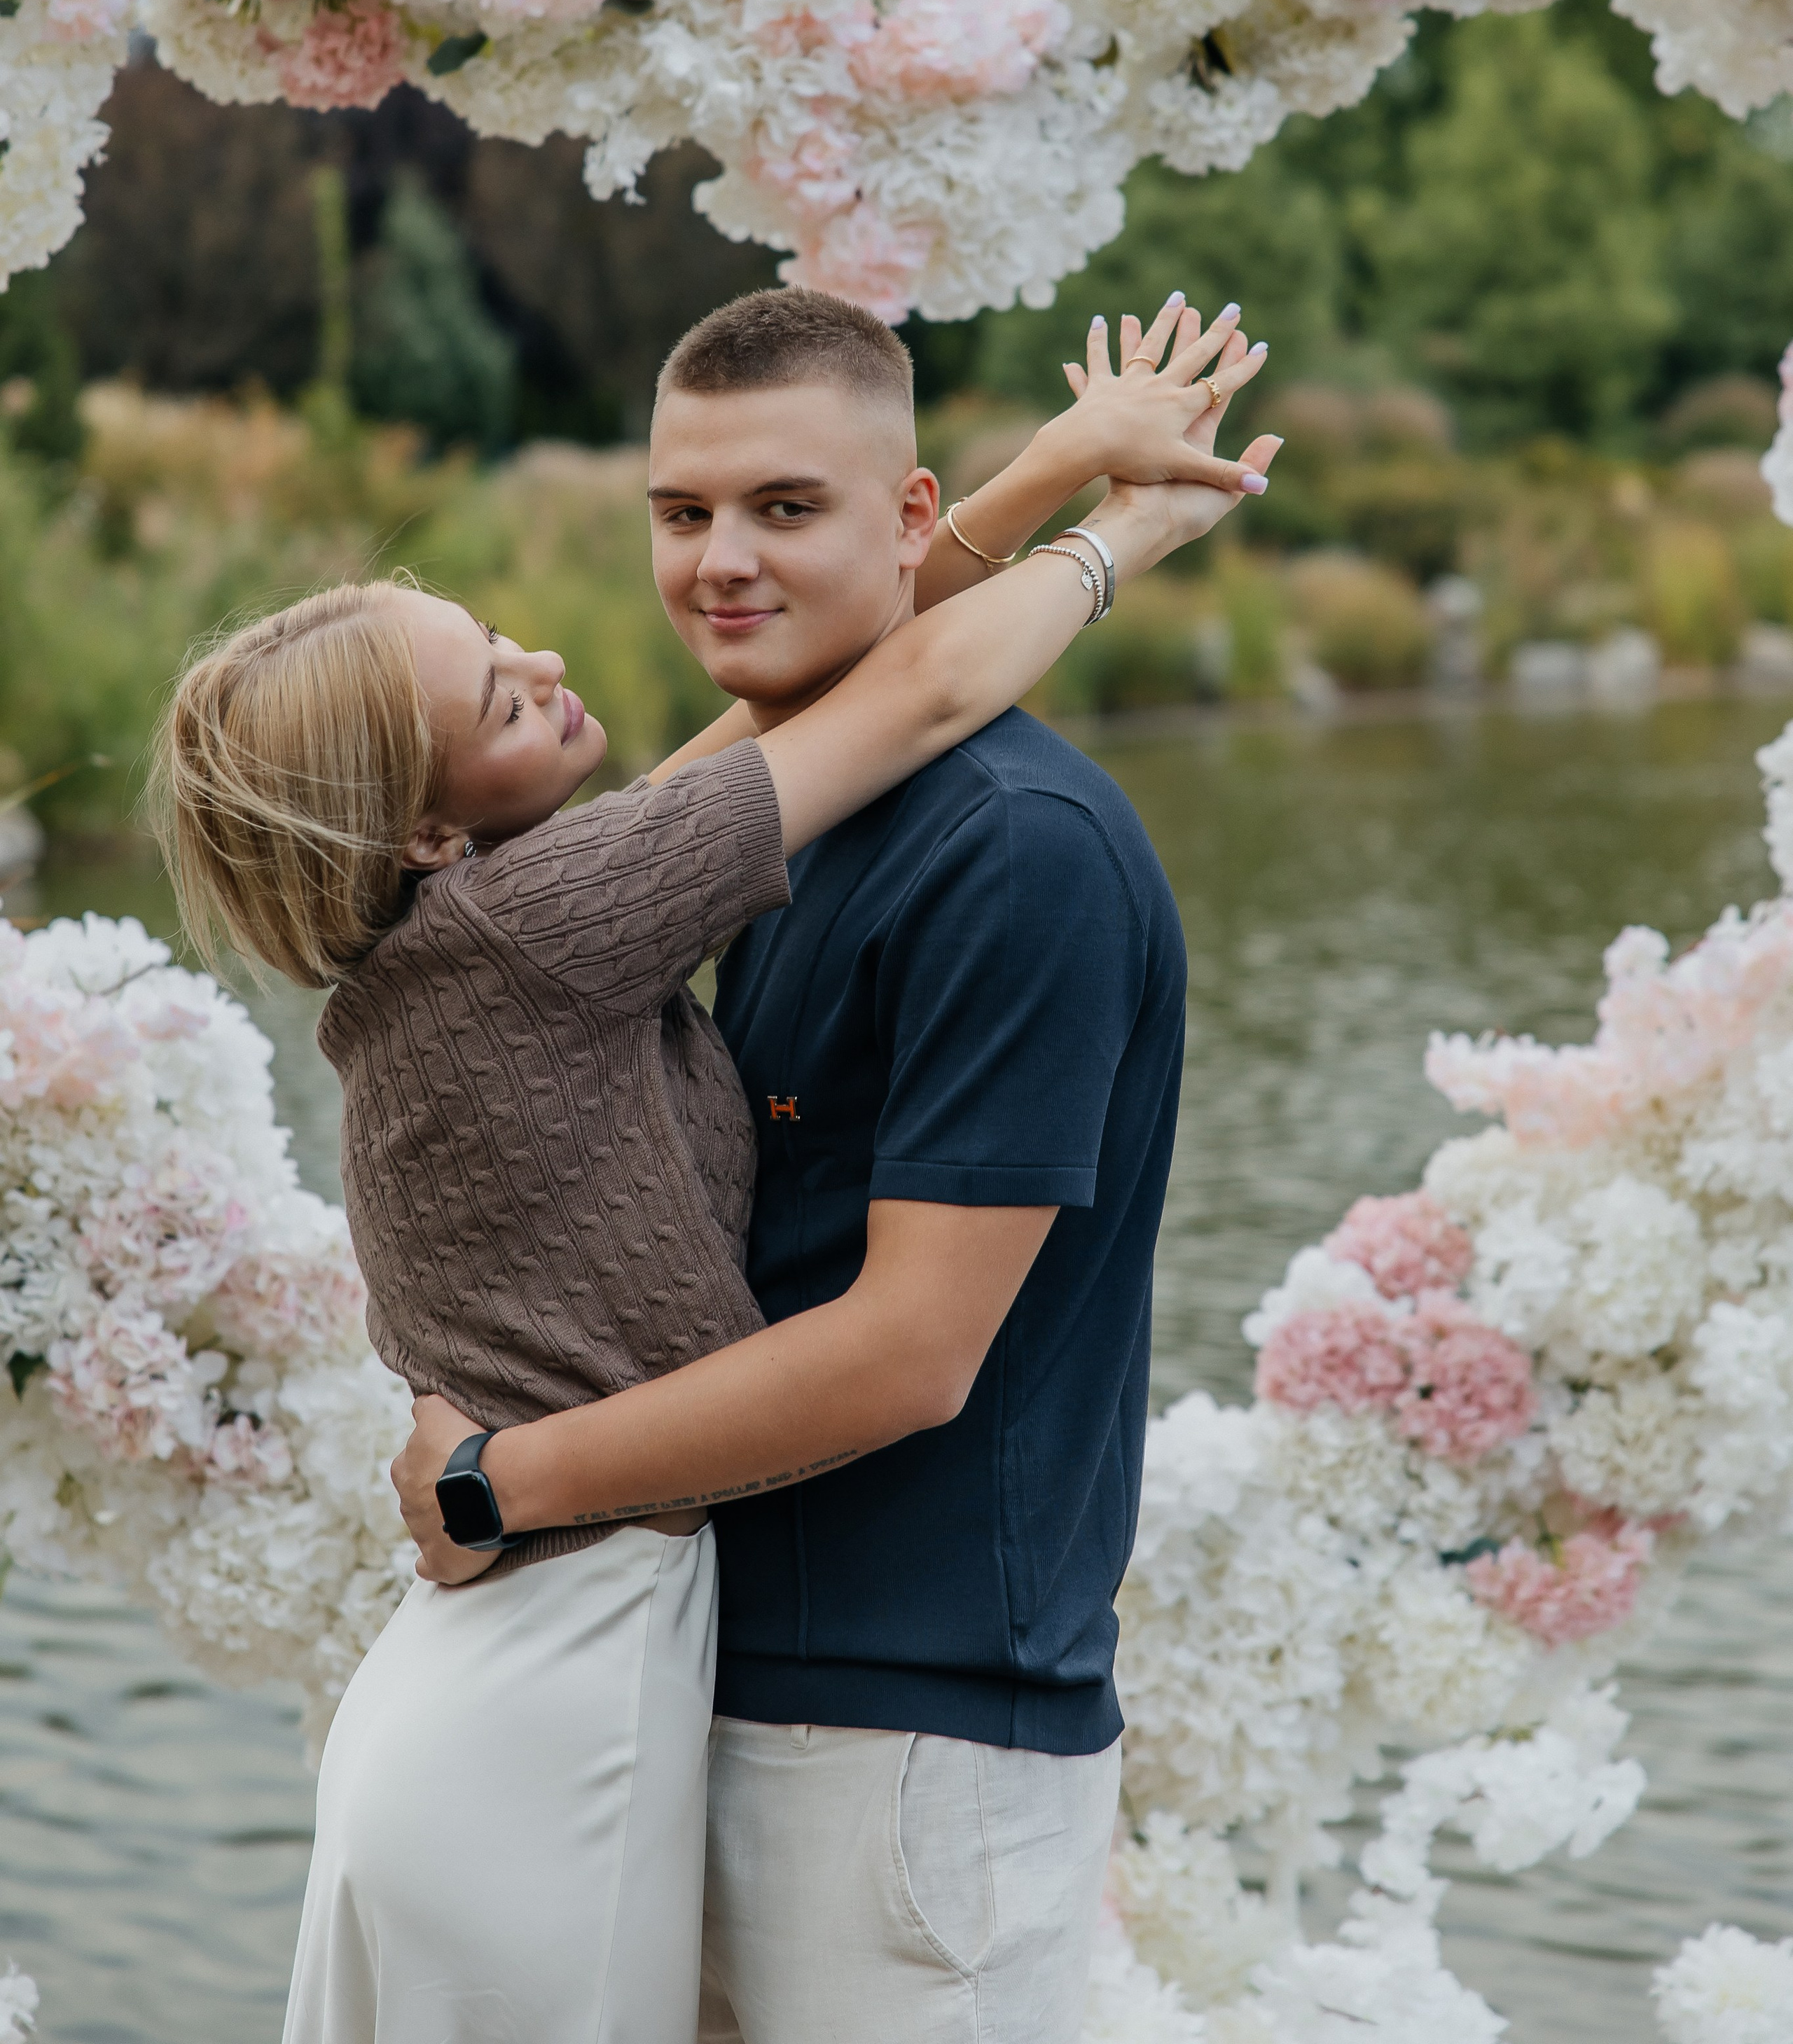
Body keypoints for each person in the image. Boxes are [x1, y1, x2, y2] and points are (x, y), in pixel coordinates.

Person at [154, 286, 1275, 2044]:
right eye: (680, 512)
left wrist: (492, 1481)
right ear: (429, 825)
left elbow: (882, 683)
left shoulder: (986, 852)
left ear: (898, 518)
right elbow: (902, 680)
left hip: (854, 1734)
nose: (710, 566)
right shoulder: (561, 912)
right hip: (626, 1702)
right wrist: (1115, 524)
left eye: (784, 507)